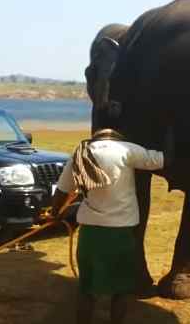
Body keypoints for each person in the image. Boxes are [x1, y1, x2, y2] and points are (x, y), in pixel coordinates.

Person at [51, 128, 169, 324]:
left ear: (95, 137)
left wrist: (55, 214)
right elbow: (161, 160)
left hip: (90, 233)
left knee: (87, 288)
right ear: (116, 137)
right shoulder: (127, 149)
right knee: (122, 288)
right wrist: (169, 136)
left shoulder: (81, 153)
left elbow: (63, 191)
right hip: (121, 233)